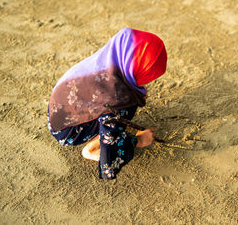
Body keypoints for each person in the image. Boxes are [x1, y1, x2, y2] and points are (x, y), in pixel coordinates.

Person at [47, 28, 167, 180]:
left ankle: (101, 125)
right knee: (126, 105)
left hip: (56, 110)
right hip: (67, 132)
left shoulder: (111, 58)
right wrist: (138, 140)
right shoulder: (116, 96)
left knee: (129, 97)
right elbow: (110, 145)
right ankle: (93, 148)